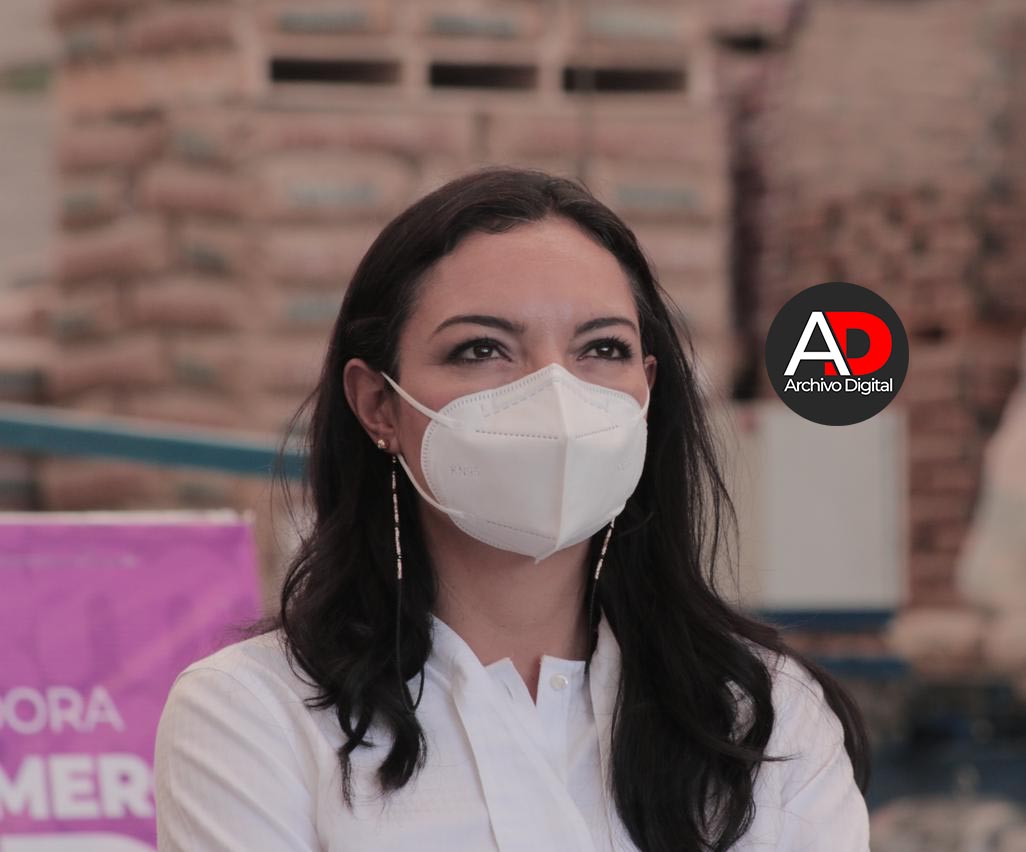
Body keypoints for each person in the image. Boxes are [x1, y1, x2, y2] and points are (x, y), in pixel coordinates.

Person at [153, 166, 871, 851]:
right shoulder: (254, 714)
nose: (555, 395)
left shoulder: (762, 715)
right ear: (378, 404)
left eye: (602, 348)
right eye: (482, 350)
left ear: (647, 392)